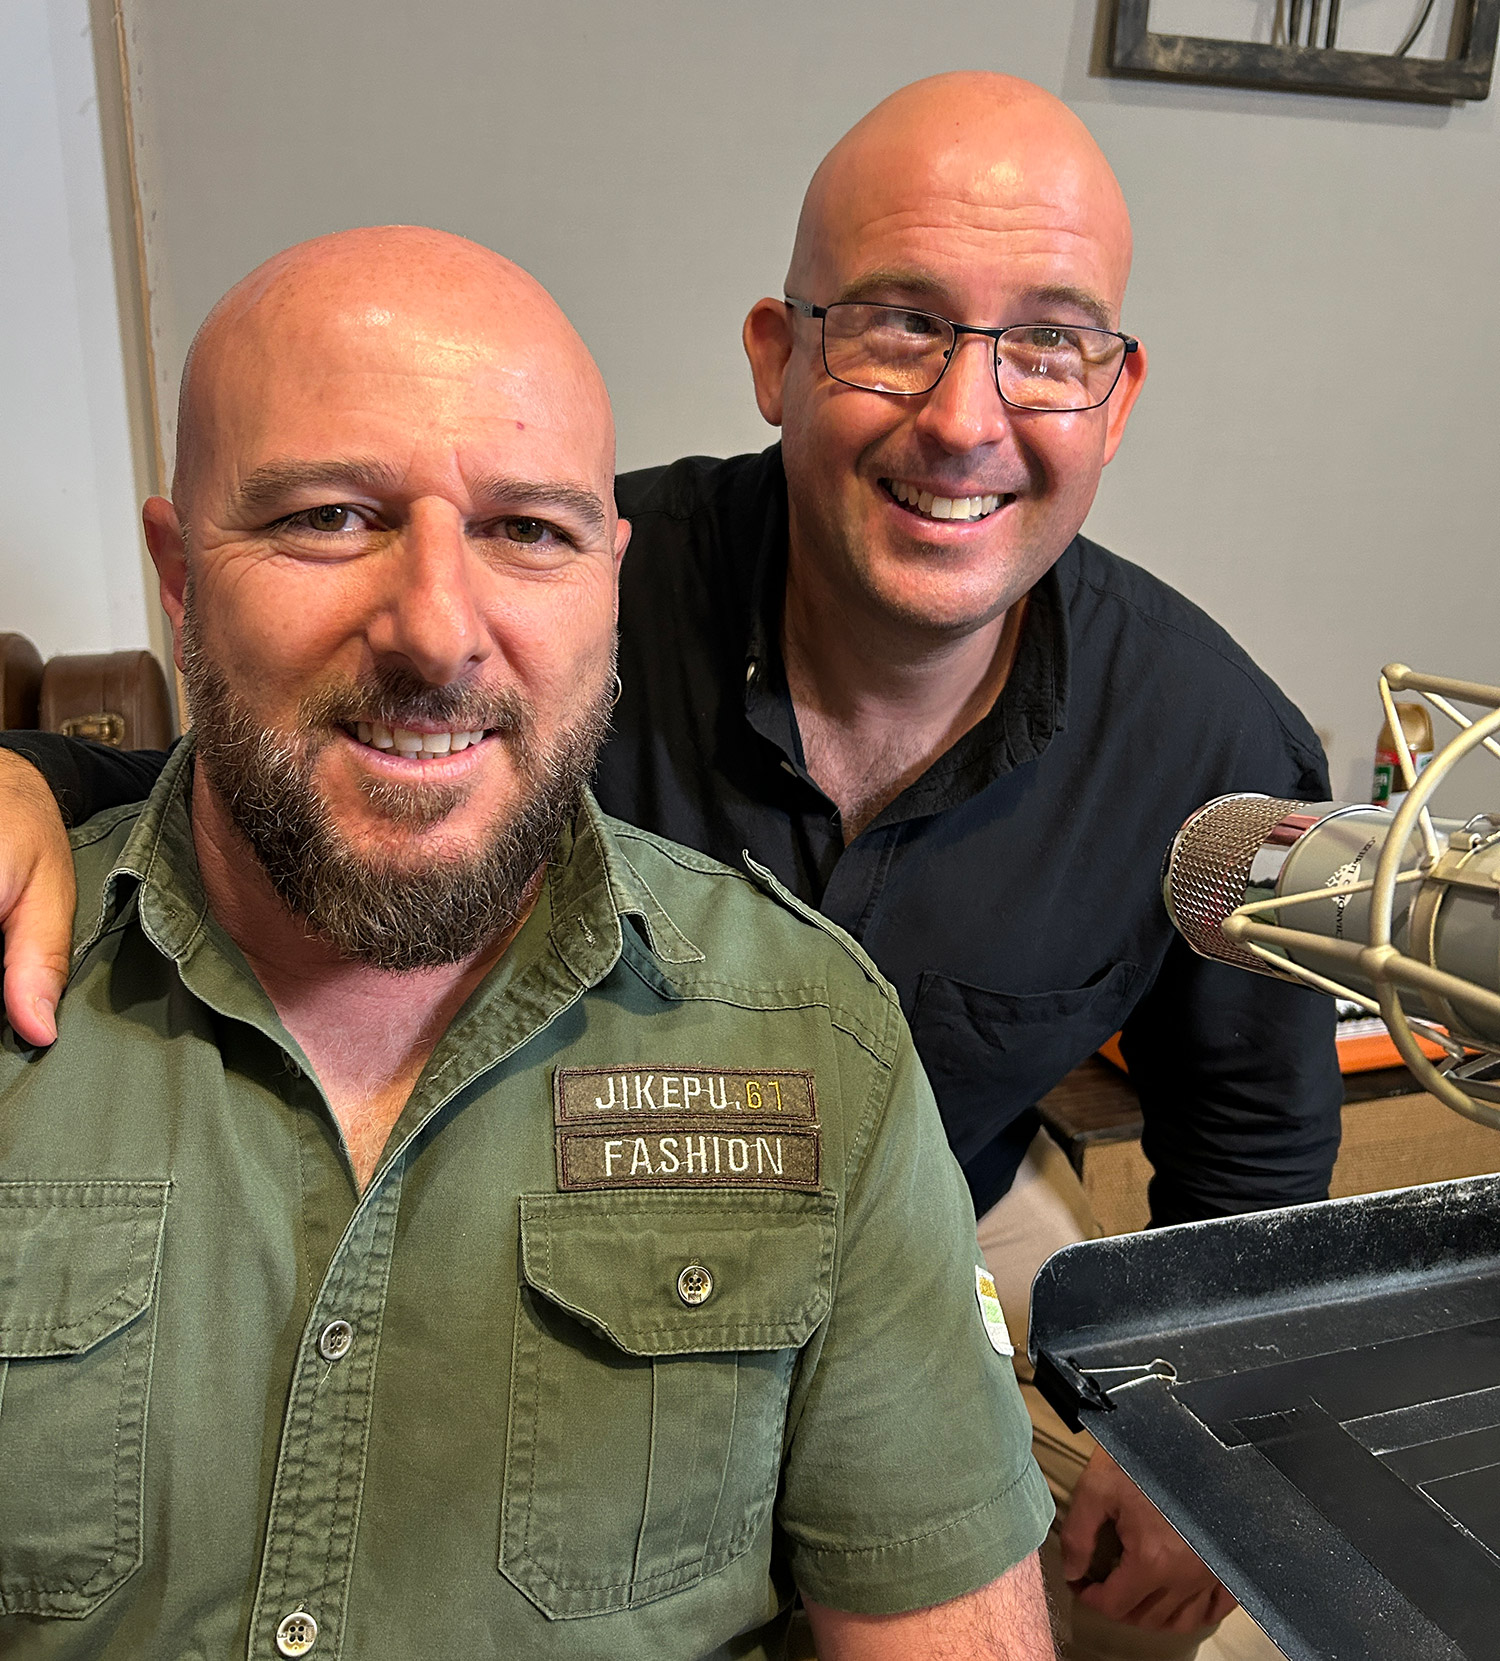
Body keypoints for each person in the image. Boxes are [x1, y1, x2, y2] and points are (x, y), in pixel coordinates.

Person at [0, 73, 1340, 1658]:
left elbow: (1251, 1130)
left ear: (1115, 397)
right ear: (777, 356)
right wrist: (29, 776)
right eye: (899, 324)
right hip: (548, 1157)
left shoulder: (1215, 741)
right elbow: (277, 775)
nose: (967, 419)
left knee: (1164, 1591)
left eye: (1047, 344)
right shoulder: (554, 581)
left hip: (966, 1190)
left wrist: (1186, 1424)